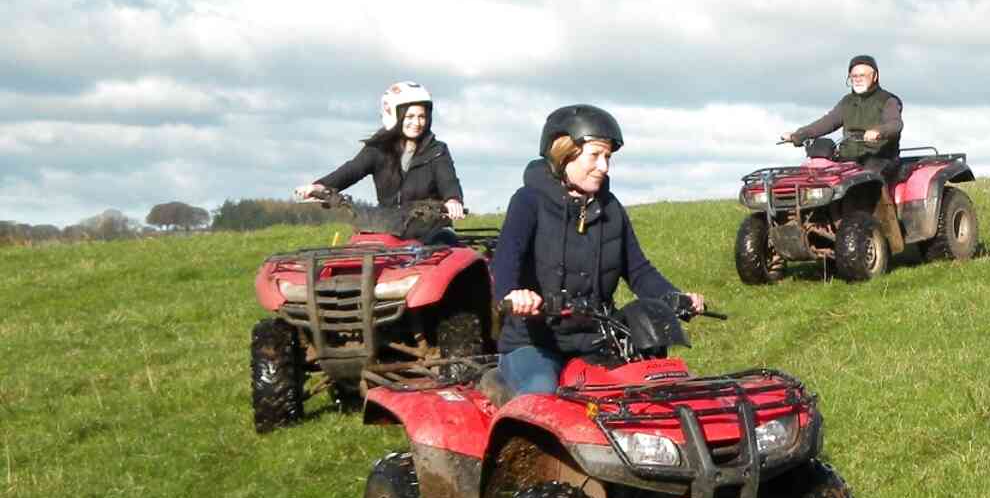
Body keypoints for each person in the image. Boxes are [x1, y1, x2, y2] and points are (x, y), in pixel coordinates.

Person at [491, 104, 705, 397]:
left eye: (608, 157)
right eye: (595, 155)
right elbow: (505, 260)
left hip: (596, 341)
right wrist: (513, 295)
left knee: (652, 391)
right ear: (564, 154)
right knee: (542, 394)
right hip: (533, 342)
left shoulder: (611, 208)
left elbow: (639, 270)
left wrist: (674, 298)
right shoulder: (529, 202)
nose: (604, 167)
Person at [296, 81, 465, 224]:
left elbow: (448, 181)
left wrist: (453, 200)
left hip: (429, 228)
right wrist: (320, 186)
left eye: (422, 116)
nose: (417, 122)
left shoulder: (437, 151)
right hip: (387, 227)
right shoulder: (378, 149)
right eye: (410, 116)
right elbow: (351, 170)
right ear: (394, 115)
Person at [780, 54, 904, 179]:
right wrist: (799, 135)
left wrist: (879, 131)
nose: (858, 79)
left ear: (875, 76)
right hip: (848, 158)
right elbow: (827, 122)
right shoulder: (847, 101)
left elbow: (895, 124)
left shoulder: (887, 100)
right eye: (854, 76)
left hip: (880, 157)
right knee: (820, 178)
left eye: (862, 75)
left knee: (867, 180)